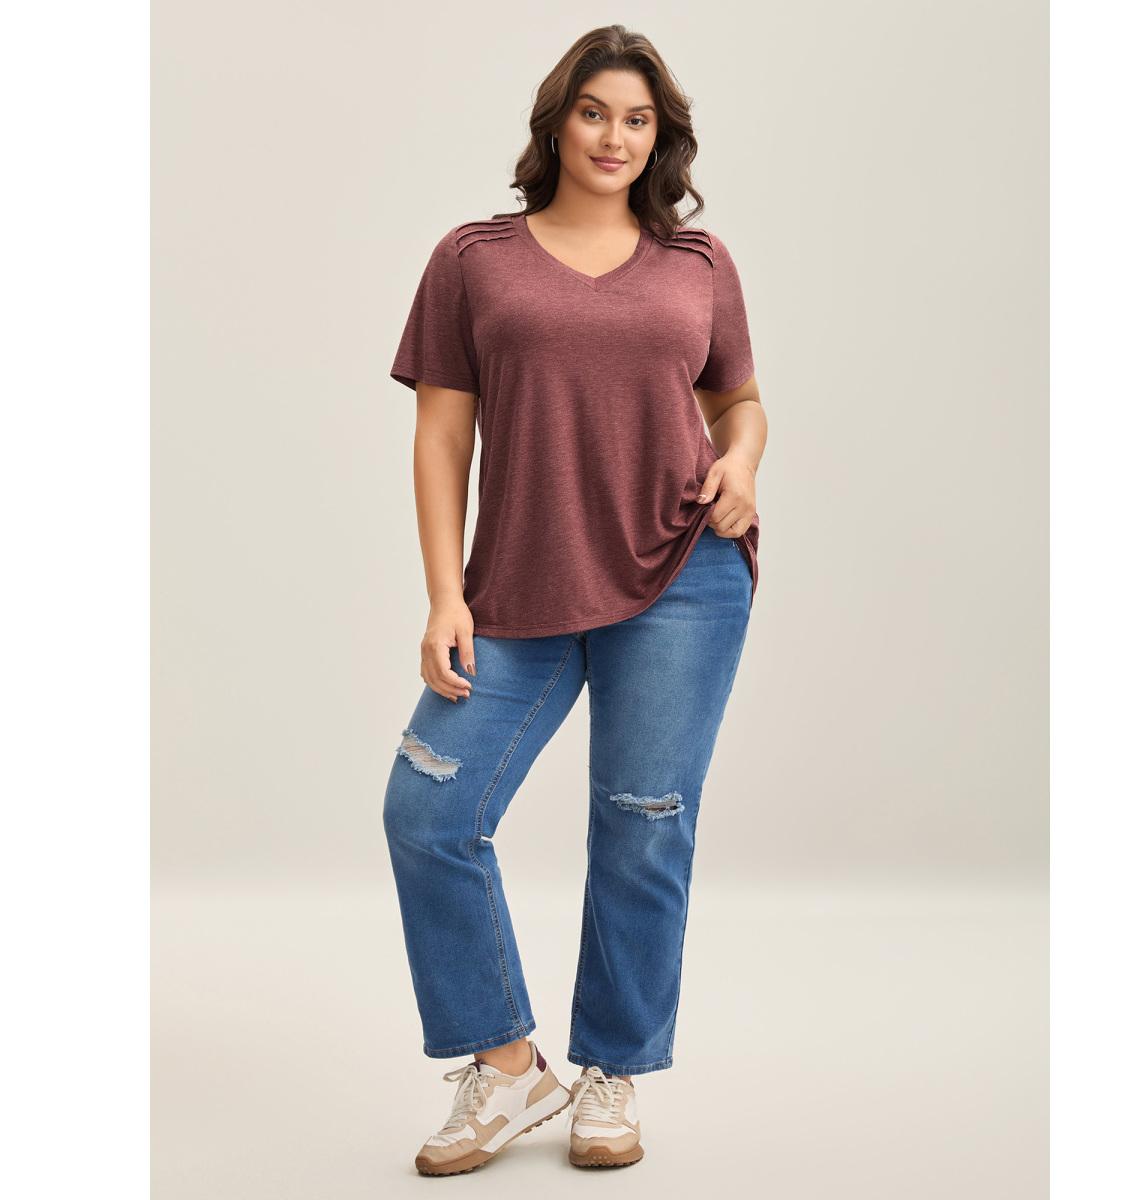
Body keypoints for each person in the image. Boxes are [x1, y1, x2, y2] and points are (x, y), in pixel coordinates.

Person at [381, 23, 768, 1176]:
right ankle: (508, 1069)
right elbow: (442, 435)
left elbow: (741, 403)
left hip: (685, 574)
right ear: (558, 122)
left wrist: (743, 464)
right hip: (522, 585)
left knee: (644, 821)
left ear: (661, 138)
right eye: (595, 112)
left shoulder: (697, 263)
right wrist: (444, 595)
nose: (615, 136)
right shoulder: (474, 259)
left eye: (638, 119)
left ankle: (614, 1070)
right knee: (428, 813)